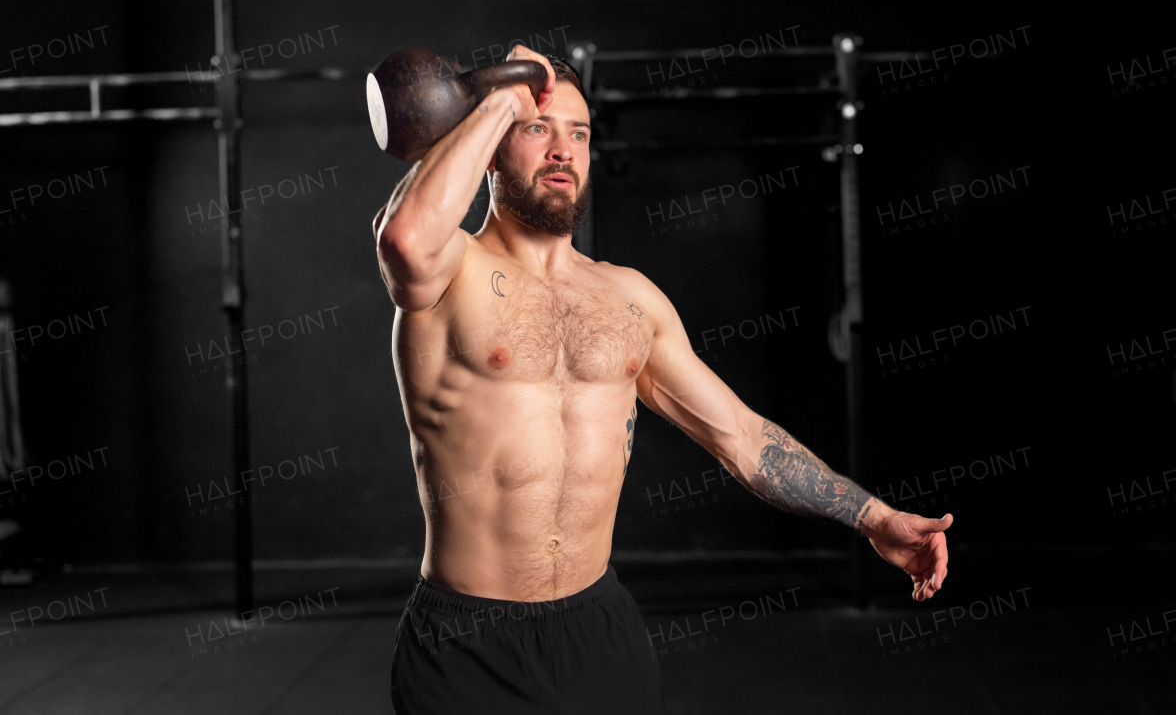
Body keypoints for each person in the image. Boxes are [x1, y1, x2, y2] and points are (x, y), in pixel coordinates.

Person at [373, 45, 952, 714]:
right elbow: (406, 239)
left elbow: (741, 435)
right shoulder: (449, 270)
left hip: (599, 632)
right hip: (466, 641)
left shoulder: (630, 298)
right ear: (491, 144)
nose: (562, 149)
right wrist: (504, 93)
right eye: (537, 127)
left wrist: (872, 515)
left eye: (579, 132)